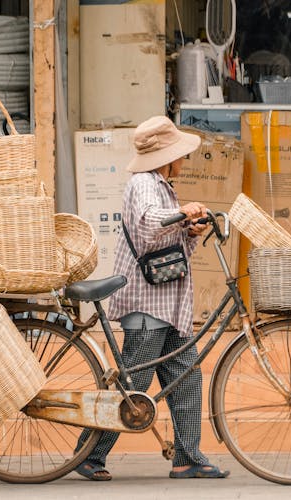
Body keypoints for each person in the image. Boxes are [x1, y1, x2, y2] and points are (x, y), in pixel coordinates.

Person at [74, 116, 230, 481]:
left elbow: (167, 243)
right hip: (147, 306)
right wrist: (181, 212)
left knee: (186, 375)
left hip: (170, 308)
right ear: (166, 156)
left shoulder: (163, 185)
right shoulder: (144, 184)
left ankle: (187, 458)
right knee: (134, 387)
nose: (183, 160)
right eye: (179, 154)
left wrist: (188, 227)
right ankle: (88, 455)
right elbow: (148, 223)